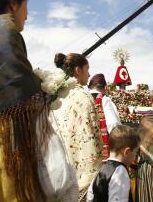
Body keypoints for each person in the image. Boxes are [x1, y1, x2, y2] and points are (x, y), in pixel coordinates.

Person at [0, 0, 75, 201]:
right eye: (26, 7)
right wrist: (47, 91)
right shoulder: (5, 29)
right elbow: (20, 83)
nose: (27, 14)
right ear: (13, 4)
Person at [52, 53, 103, 200]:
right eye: (87, 69)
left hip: (55, 174)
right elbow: (91, 136)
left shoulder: (52, 96)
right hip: (79, 175)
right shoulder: (83, 96)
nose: (89, 74)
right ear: (78, 70)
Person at [87, 124, 140, 202]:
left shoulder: (102, 169)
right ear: (127, 152)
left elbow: (90, 196)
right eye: (135, 152)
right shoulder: (120, 172)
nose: (136, 157)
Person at [89, 73, 121, 159]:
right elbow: (113, 123)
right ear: (105, 87)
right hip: (102, 146)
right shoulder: (104, 99)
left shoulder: (83, 97)